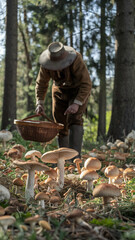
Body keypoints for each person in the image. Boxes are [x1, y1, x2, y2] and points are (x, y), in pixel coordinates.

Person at [35, 42, 92, 158]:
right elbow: (41, 83)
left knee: (75, 118)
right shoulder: (46, 65)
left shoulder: (76, 59)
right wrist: (39, 103)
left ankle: (75, 159)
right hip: (59, 91)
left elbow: (86, 84)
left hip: (77, 90)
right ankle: (63, 159)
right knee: (60, 124)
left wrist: (76, 103)